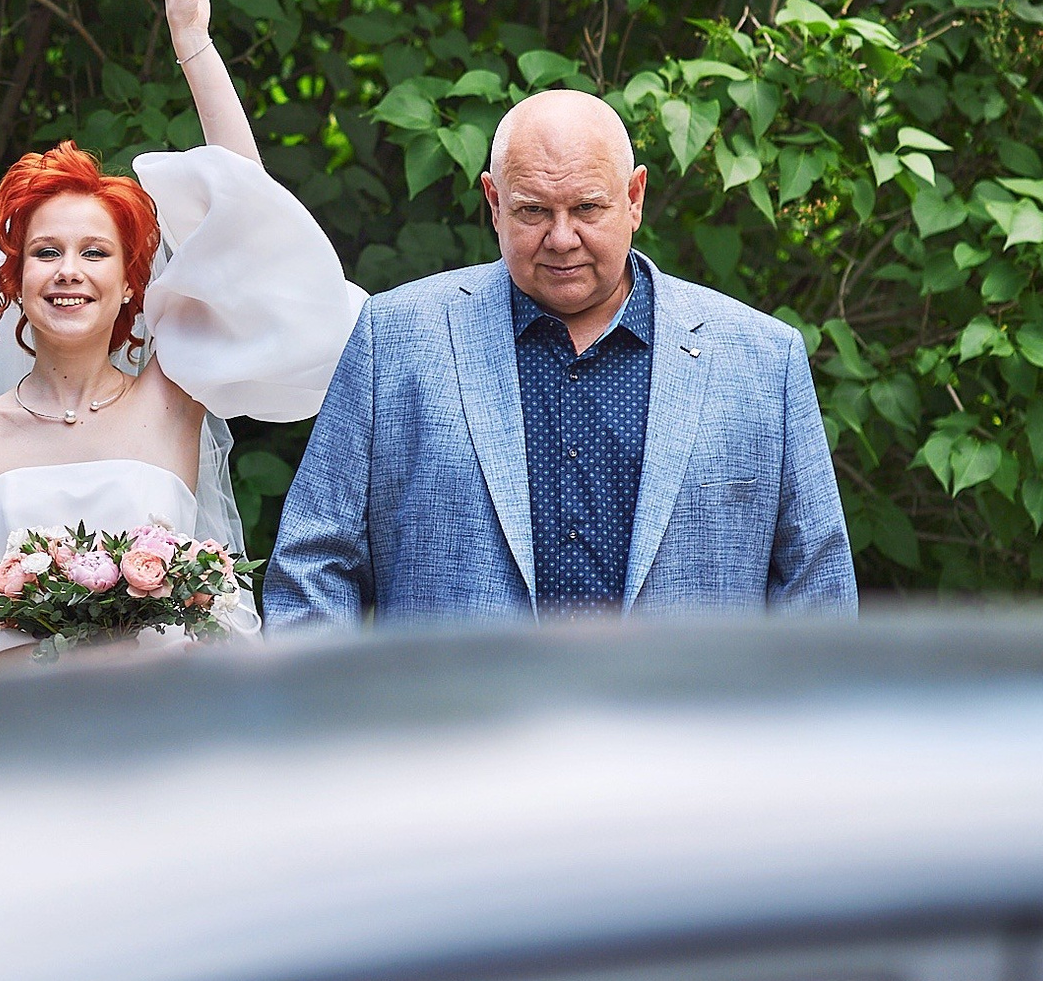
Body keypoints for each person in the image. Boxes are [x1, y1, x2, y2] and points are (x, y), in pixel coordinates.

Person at [0, 0, 366, 696]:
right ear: (13, 281)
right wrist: (79, 656)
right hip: (19, 739)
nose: (69, 273)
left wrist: (193, 39)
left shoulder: (173, 395)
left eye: (95, 254)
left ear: (131, 284)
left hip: (171, 727)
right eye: (45, 254)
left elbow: (257, 232)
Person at [261, 89, 858, 625]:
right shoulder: (392, 341)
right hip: (455, 740)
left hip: (686, 741)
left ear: (635, 198)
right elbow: (314, 567)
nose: (563, 238)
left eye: (588, 209)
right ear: (493, 203)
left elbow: (818, 596)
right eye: (533, 211)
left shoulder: (761, 360)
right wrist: (334, 733)